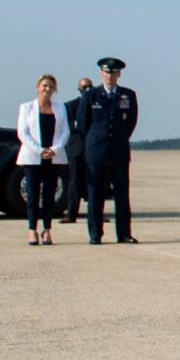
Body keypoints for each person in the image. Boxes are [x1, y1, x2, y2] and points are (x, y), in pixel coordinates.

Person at [76, 57, 139, 245]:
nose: (109, 76)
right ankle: (95, 234)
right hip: (96, 152)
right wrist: (96, 141)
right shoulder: (91, 96)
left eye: (113, 73)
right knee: (95, 196)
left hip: (118, 151)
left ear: (119, 74)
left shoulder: (128, 95)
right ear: (101, 74)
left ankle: (124, 234)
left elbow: (131, 123)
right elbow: (83, 124)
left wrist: (119, 138)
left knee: (122, 195)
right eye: (106, 72)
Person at [16, 74, 69, 246]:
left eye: (51, 86)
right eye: (44, 86)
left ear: (55, 89)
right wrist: (39, 151)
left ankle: (47, 230)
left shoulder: (60, 108)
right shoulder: (26, 107)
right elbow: (22, 133)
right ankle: (32, 230)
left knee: (49, 195)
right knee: (32, 195)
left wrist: (54, 149)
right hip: (33, 157)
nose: (47, 89)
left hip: (53, 157)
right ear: (38, 87)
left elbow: (65, 132)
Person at [59, 76, 92, 224]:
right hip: (75, 149)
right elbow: (63, 125)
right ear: (79, 89)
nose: (87, 90)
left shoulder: (97, 104)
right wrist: (77, 124)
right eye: (84, 87)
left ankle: (96, 212)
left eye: (89, 87)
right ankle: (71, 214)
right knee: (74, 182)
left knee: (95, 182)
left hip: (92, 149)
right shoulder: (70, 106)